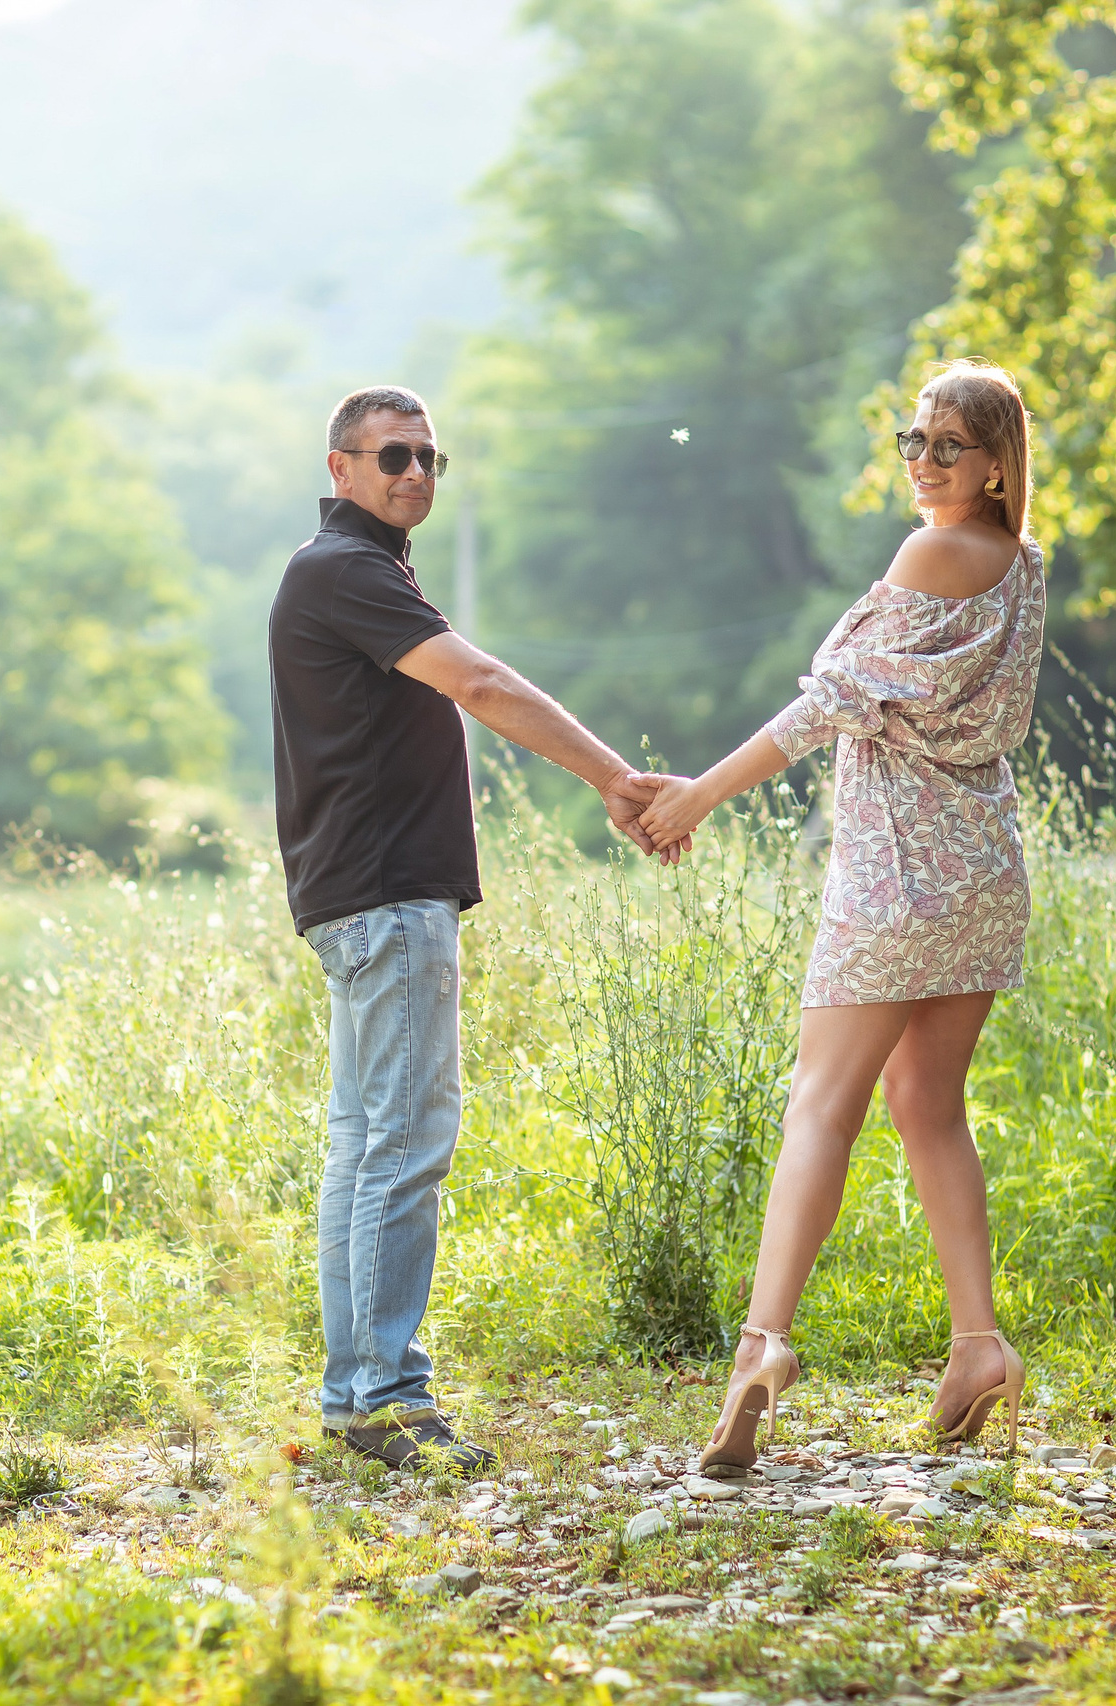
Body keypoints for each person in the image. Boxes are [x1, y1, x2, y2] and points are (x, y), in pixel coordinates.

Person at [637, 358, 1045, 1468]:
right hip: (983, 873)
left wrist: (694, 798)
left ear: (996, 460)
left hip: (897, 877)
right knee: (929, 1101)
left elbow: (832, 701)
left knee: (821, 1103)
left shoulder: (930, 553)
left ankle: (760, 1347)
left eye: (945, 445)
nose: (920, 462)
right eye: (911, 441)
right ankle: (977, 1347)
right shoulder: (1022, 567)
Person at [272, 384, 663, 1474]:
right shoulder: (346, 572)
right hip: (387, 898)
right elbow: (481, 683)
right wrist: (614, 776)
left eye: (431, 458)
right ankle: (387, 1400)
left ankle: (358, 1397)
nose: (414, 474)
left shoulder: (356, 574)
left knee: (365, 1147)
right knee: (400, 1148)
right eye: (392, 456)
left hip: (365, 898)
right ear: (340, 467)